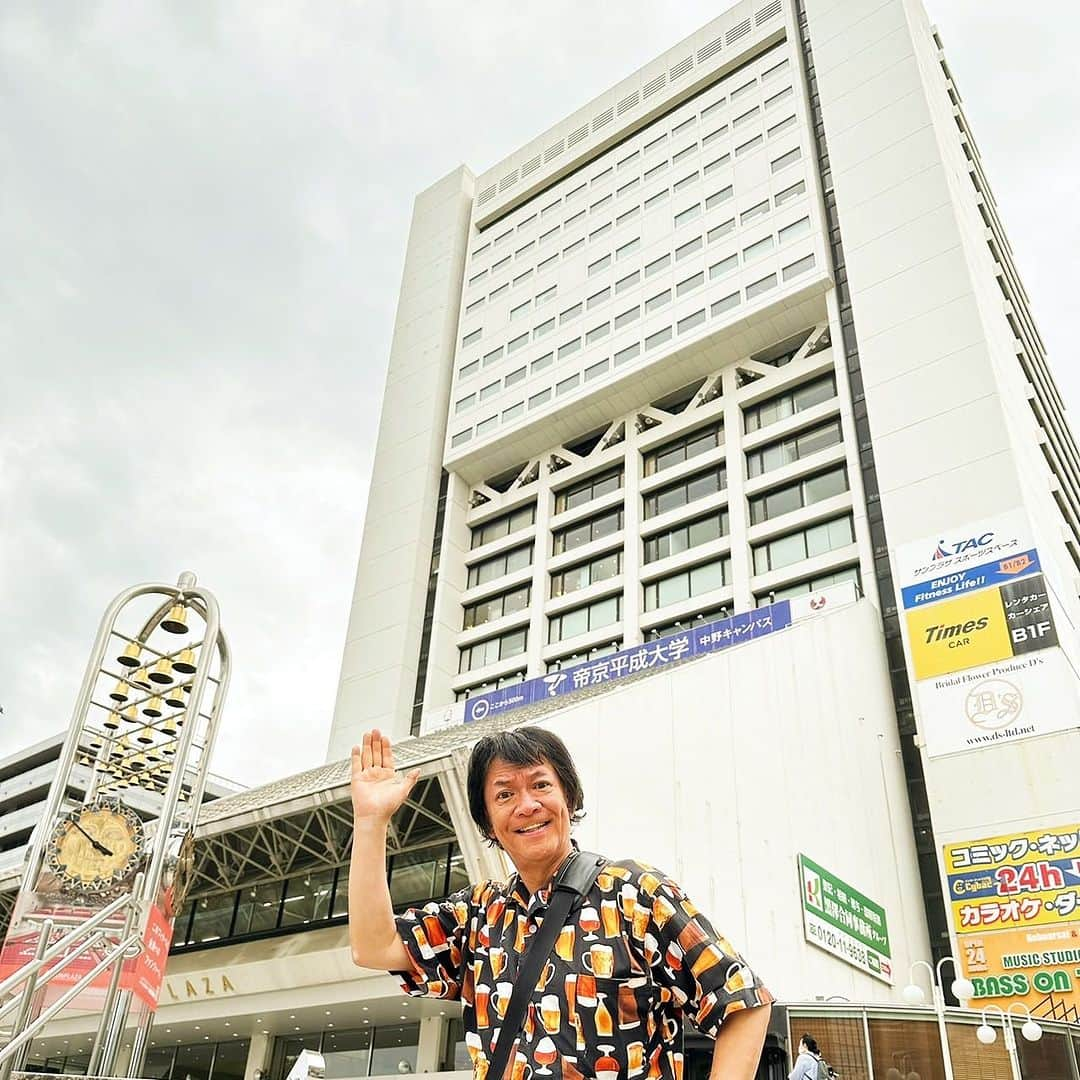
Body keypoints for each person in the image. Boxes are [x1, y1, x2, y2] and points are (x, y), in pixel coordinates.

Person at [349, 726, 773, 1080]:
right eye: (504, 795)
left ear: (568, 797)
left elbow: (742, 1000)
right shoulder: (479, 913)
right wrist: (370, 823)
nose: (527, 805)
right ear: (488, 823)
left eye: (540, 785)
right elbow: (374, 946)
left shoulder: (634, 893)